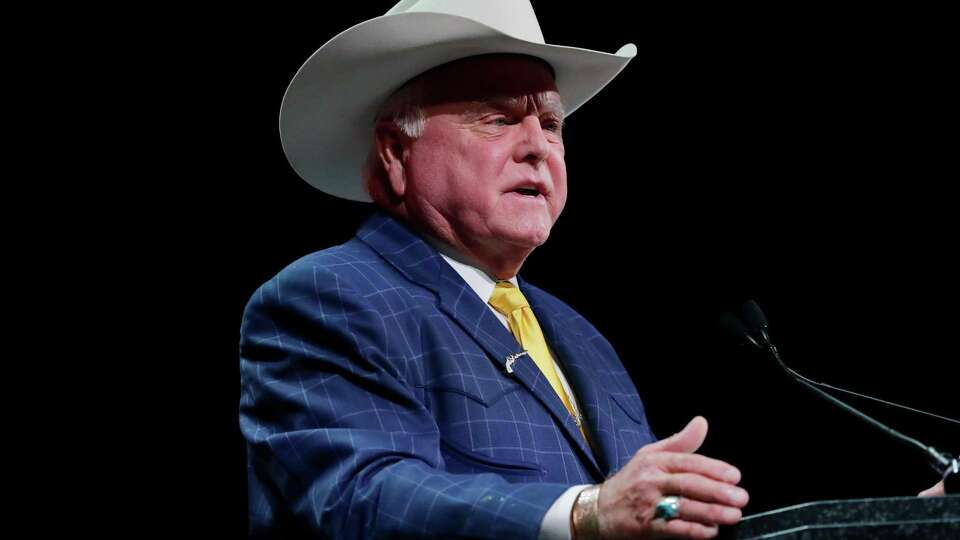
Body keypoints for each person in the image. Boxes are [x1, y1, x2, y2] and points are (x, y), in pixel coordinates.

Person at [239, 1, 750, 538]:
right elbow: (356, 499)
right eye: (498, 119)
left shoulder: (584, 339)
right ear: (394, 152)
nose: (538, 148)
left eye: (551, 124)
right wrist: (584, 513)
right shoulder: (327, 297)